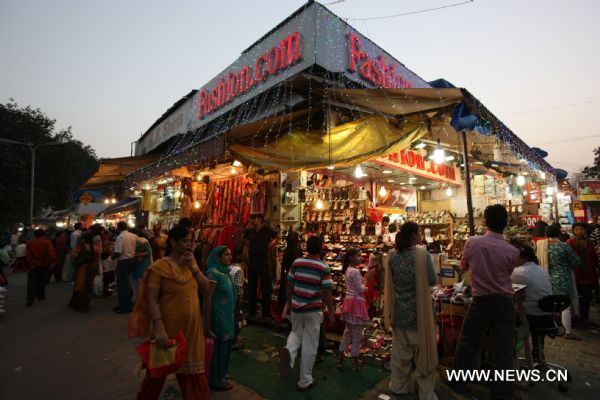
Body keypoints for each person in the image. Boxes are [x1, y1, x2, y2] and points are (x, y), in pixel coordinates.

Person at [129, 225, 212, 400]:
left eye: (190, 241)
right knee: (155, 376)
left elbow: (207, 289)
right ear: (173, 242)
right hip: (168, 330)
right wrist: (159, 328)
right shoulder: (160, 266)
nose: (189, 245)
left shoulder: (191, 264)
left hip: (192, 330)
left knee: (195, 377)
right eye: (184, 241)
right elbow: (151, 299)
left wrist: (194, 268)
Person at [450, 205, 519, 400]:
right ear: (505, 224)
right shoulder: (512, 251)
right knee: (504, 348)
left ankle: (459, 382)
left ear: (485, 221)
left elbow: (463, 266)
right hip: (505, 302)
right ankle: (503, 392)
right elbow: (507, 274)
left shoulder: (473, 242)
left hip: (481, 301)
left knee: (468, 341)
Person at [384, 222, 438, 400]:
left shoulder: (392, 256)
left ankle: (399, 387)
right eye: (419, 232)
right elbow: (432, 281)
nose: (421, 234)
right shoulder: (423, 255)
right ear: (414, 236)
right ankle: (426, 394)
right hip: (419, 315)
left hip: (399, 313)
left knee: (401, 355)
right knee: (423, 356)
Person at [279, 235, 335, 392]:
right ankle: (305, 380)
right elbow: (327, 293)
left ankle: (289, 352)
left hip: (297, 308)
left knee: (296, 333)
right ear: (321, 247)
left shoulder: (298, 262)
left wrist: (289, 304)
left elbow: (289, 284)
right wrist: (331, 313)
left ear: (306, 246)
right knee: (310, 344)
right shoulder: (323, 267)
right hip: (313, 310)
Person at [536, 224, 582, 339]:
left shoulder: (541, 245)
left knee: (550, 302)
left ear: (546, 234)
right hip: (563, 278)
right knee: (565, 304)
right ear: (559, 234)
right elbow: (576, 262)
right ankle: (568, 332)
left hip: (547, 277)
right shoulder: (563, 246)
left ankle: (551, 327)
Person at [510, 242, 553, 360]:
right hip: (547, 315)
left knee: (501, 316)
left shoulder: (520, 272)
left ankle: (506, 353)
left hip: (533, 316)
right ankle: (538, 352)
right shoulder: (538, 269)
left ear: (524, 258)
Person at [206, 246, 236, 391]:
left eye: (230, 255)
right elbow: (208, 298)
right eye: (226, 255)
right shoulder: (213, 274)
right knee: (220, 347)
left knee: (225, 346)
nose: (230, 257)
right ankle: (216, 380)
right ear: (217, 257)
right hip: (218, 316)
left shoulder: (225, 272)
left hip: (227, 314)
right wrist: (208, 322)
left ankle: (221, 373)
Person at [337, 248, 370, 371]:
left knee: (348, 332)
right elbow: (360, 289)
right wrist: (368, 279)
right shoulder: (355, 271)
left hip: (349, 302)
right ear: (351, 257)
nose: (360, 258)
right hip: (356, 303)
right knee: (356, 334)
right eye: (358, 255)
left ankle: (340, 357)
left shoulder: (348, 270)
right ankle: (355, 362)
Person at [244, 213, 277, 319]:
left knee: (265, 286)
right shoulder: (250, 230)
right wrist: (248, 250)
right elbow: (245, 240)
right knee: (252, 286)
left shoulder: (267, 230)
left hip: (263, 260)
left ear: (260, 219)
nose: (252, 220)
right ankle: (252, 311)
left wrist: (271, 246)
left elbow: (278, 237)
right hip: (253, 260)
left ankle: (266, 312)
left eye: (254, 218)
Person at [567, 222, 598, 325]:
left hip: (589, 273)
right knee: (577, 297)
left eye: (581, 229)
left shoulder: (590, 242)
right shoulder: (570, 242)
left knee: (587, 297)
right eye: (576, 229)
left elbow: (594, 258)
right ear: (573, 231)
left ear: (585, 230)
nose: (579, 231)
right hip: (576, 274)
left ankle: (585, 316)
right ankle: (577, 317)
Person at [68, 231, 101, 312]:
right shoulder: (96, 248)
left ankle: (80, 304)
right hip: (92, 267)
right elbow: (97, 260)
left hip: (83, 268)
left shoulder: (80, 247)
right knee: (88, 286)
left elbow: (73, 255)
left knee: (80, 285)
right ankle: (86, 304)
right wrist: (97, 270)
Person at [112, 221, 138, 313]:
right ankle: (125, 304)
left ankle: (125, 306)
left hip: (123, 261)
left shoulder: (120, 237)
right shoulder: (133, 236)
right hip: (132, 260)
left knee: (122, 284)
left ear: (118, 228)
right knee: (127, 284)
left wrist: (112, 257)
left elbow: (118, 252)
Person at [25, 229, 56, 306]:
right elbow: (51, 253)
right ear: (43, 234)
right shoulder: (47, 242)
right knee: (42, 280)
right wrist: (53, 261)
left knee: (32, 282)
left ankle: (30, 299)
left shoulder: (30, 243)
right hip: (45, 264)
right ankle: (40, 295)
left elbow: (28, 256)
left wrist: (31, 263)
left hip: (34, 264)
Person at [278, 231, 302, 306]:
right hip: (297, 273)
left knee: (286, 291)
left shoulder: (287, 250)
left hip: (288, 272)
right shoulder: (298, 249)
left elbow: (284, 263)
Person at [229, 256, 245, 350]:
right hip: (235, 298)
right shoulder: (239, 270)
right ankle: (233, 342)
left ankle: (230, 339)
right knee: (237, 318)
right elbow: (238, 287)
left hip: (228, 297)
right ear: (243, 264)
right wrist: (240, 299)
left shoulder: (230, 267)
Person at [131, 230, 153, 303]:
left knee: (141, 281)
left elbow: (149, 251)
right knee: (135, 281)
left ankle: (141, 299)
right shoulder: (133, 241)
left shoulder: (144, 241)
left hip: (143, 264)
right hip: (136, 263)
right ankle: (137, 298)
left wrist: (139, 254)